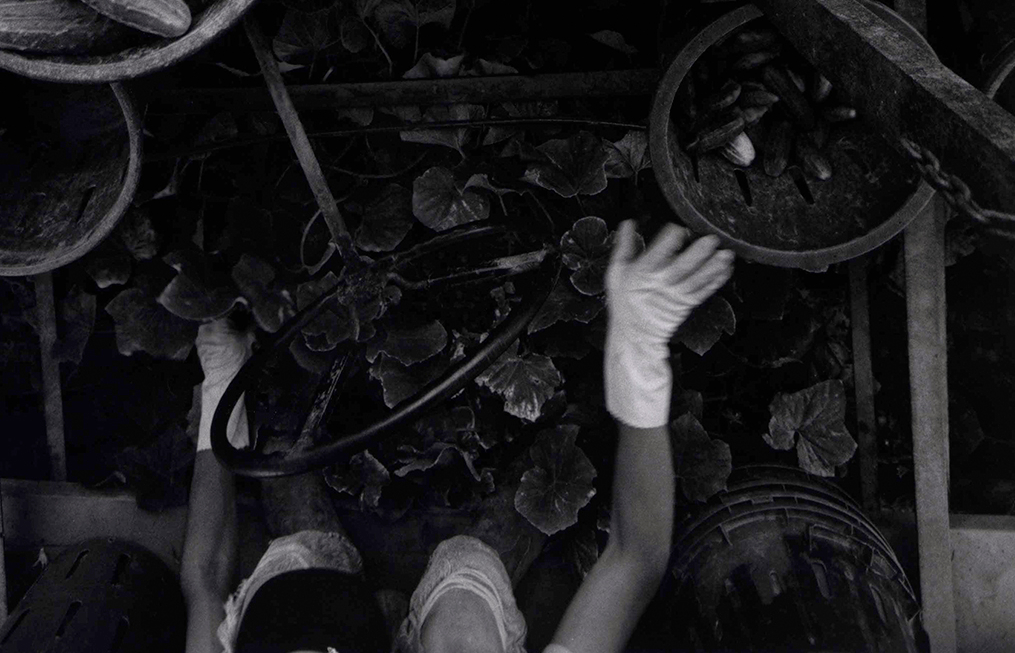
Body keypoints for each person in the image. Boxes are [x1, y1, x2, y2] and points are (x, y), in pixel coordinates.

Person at [180, 220, 734, 653]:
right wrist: (638, 353)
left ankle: (317, 555)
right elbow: (635, 561)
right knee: (470, 609)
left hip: (315, 613)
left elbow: (204, 577)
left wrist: (222, 381)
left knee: (301, 562)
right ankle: (466, 573)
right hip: (439, 631)